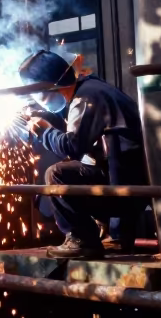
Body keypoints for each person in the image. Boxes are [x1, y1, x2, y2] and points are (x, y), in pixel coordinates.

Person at [19, 50, 149, 259]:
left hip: (125, 189)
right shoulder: (93, 88)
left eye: (37, 93)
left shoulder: (86, 98)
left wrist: (44, 131)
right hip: (129, 178)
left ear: (49, 86)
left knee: (57, 175)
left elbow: (72, 146)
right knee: (75, 167)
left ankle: (82, 240)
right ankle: (114, 236)